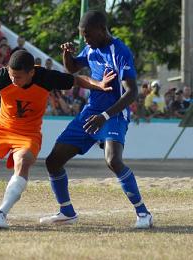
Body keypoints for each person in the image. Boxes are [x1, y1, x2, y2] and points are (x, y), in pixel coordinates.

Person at [0, 50, 115, 228]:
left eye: (18, 76)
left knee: (23, 162)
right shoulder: (1, 75)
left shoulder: (45, 77)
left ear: (31, 72)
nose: (13, 79)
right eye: (11, 75)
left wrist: (98, 84)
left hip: (28, 134)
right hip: (0, 128)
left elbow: (76, 80)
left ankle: (1, 214)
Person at [39, 10, 153, 229]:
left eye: (88, 35)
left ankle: (143, 214)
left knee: (113, 161)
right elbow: (72, 67)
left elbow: (131, 92)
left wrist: (105, 115)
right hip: (90, 114)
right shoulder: (91, 48)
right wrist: (67, 54)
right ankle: (67, 212)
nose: (86, 40)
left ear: (102, 30)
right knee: (53, 161)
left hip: (113, 115)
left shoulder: (120, 51)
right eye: (83, 36)